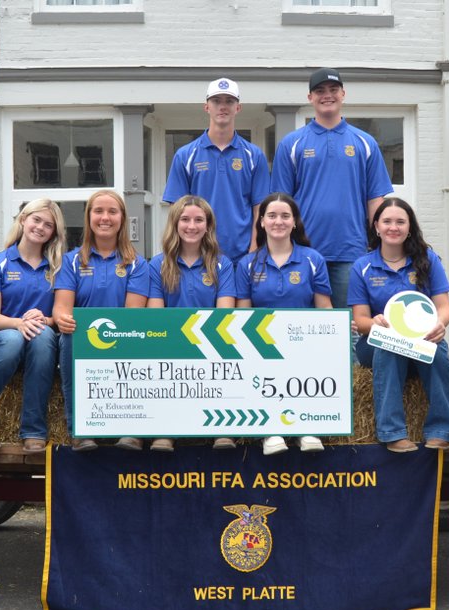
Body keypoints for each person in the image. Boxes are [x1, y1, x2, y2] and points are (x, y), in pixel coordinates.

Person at [271, 68, 393, 309]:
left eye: (333, 90)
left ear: (343, 94)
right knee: (302, 325)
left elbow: (375, 200)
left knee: (351, 328)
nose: (327, 95)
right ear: (310, 98)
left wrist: (377, 243)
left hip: (352, 251)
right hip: (301, 251)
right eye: (319, 91)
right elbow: (281, 203)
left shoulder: (365, 143)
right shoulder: (291, 144)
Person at [348, 197, 449, 453]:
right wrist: (373, 323)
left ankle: (441, 430)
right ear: (376, 227)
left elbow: (444, 307)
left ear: (410, 227)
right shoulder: (362, 267)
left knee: (438, 349)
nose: (393, 227)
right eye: (387, 221)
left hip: (419, 339)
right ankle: (392, 432)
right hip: (375, 344)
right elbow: (360, 321)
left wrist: (440, 324)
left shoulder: (429, 259)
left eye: (400, 221)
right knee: (389, 345)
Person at [52, 190, 150, 451]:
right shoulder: (71, 261)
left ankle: (131, 430)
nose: (105, 218)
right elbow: (61, 309)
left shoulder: (137, 264)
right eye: (98, 211)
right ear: (89, 217)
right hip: (83, 338)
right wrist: (63, 321)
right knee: (69, 339)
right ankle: (80, 430)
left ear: (122, 218)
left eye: (112, 212)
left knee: (136, 340)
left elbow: (134, 314)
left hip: (122, 337)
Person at [0, 199, 66, 455]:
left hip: (40, 346)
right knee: (13, 339)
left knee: (43, 336)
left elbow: (60, 316)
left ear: (54, 232)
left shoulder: (58, 267)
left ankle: (33, 430)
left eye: (48, 224)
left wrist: (44, 320)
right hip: (1, 341)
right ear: (23, 220)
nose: (40, 227)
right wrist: (21, 323)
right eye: (36, 219)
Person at [236, 192, 331, 455]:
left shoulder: (313, 259)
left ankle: (306, 428)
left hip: (304, 342)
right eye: (272, 215)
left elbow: (324, 308)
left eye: (285, 216)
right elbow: (243, 314)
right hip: (262, 343)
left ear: (295, 222)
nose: (279, 221)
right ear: (262, 222)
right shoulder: (246, 264)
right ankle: (270, 429)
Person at [147, 196, 237, 452]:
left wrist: (202, 340)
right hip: (170, 343)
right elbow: (155, 316)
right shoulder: (158, 264)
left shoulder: (222, 264)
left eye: (199, 220)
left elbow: (225, 315)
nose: (192, 226)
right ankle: (166, 430)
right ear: (175, 224)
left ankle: (222, 428)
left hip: (211, 343)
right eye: (185, 219)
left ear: (208, 226)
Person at [163, 78, 269, 261]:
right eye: (216, 101)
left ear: (238, 108)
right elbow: (177, 210)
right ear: (207, 107)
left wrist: (254, 249)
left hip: (242, 257)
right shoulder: (185, 155)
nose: (223, 106)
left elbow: (259, 208)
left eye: (229, 101)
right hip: (199, 257)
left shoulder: (254, 155)